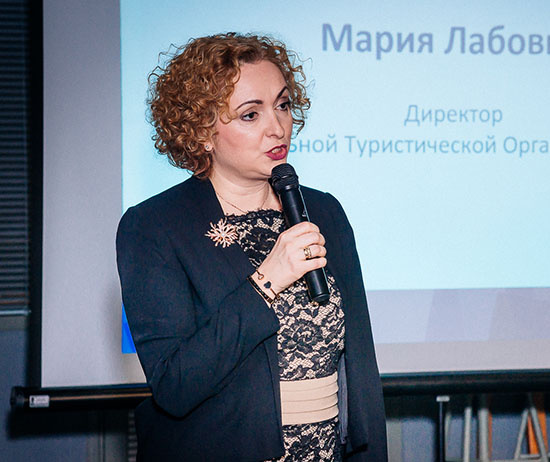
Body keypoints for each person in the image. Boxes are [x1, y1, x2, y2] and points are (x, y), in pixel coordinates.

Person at [116, 33, 387, 462]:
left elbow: (360, 370)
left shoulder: (323, 210)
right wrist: (266, 281)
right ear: (201, 131)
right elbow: (175, 385)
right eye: (250, 114)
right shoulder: (155, 225)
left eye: (283, 105)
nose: (277, 127)